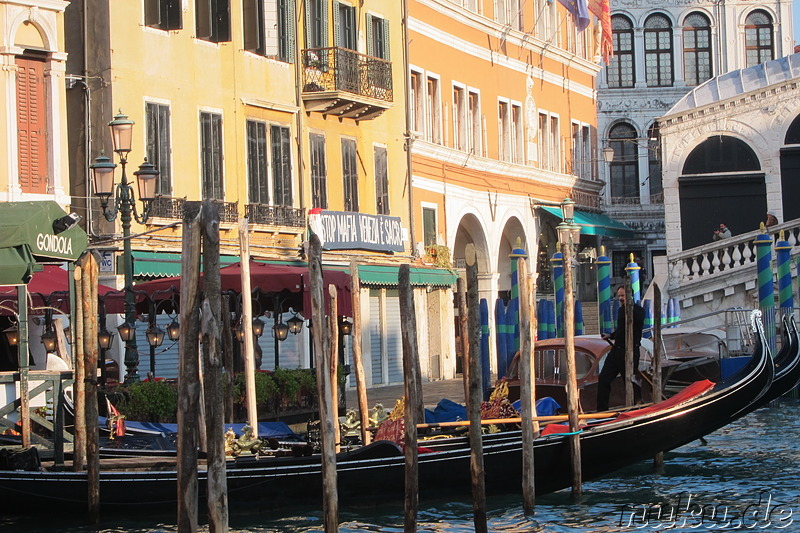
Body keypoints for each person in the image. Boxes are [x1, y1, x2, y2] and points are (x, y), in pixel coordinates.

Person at [597, 285, 645, 412]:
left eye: (623, 296)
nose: (620, 298)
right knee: (604, 378)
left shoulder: (639, 311)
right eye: (619, 296)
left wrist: (630, 308)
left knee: (629, 381)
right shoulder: (620, 310)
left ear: (630, 296)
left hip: (630, 351)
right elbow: (620, 330)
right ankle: (601, 410)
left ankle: (636, 407)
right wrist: (611, 336)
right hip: (617, 351)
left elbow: (636, 322)